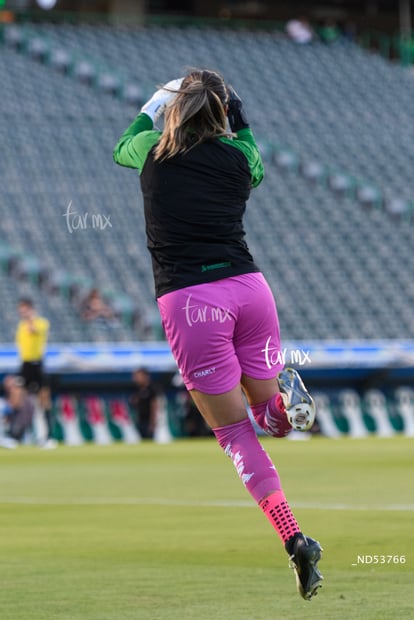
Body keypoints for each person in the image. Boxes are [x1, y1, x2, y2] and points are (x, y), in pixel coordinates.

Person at [113, 68, 323, 600]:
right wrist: (238, 110)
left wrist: (162, 94)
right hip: (251, 290)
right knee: (269, 421)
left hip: (191, 302)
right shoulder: (237, 161)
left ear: (177, 111)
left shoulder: (151, 155)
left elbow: (122, 144)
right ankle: (281, 399)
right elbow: (255, 161)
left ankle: (293, 537)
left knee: (234, 435)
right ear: (223, 115)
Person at [15, 298, 55, 446]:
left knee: (43, 400)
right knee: (19, 399)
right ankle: (16, 435)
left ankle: (49, 437)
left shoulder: (40, 322)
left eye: (24, 309)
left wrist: (31, 318)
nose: (22, 312)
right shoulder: (21, 325)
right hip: (25, 365)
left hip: (37, 364)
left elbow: (35, 331)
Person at [129, 367, 161, 439]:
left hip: (149, 420)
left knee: (149, 438)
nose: (136, 378)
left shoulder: (152, 388)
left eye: (138, 376)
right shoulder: (136, 389)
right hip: (140, 419)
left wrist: (152, 422)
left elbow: (154, 406)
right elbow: (134, 403)